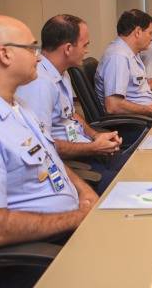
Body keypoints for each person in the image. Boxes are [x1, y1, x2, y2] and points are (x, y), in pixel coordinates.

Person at [0, 15, 97, 250]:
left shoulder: (15, 103)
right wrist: (78, 217)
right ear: (5, 54)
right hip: (45, 246)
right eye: (31, 48)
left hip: (71, 221)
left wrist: (84, 192)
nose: (38, 57)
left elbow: (50, 159)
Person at [16, 14, 124, 192]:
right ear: (67, 48)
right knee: (124, 183)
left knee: (133, 166)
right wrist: (92, 148)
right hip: (70, 162)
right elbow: (43, 145)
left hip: (84, 148)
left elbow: (70, 114)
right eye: (85, 45)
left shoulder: (62, 72)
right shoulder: (40, 84)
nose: (87, 50)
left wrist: (95, 135)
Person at [95, 9, 152, 118]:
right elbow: (113, 105)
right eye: (150, 33)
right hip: (136, 121)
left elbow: (137, 92)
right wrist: (149, 110)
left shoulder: (131, 53)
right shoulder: (118, 57)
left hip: (144, 114)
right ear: (138, 32)